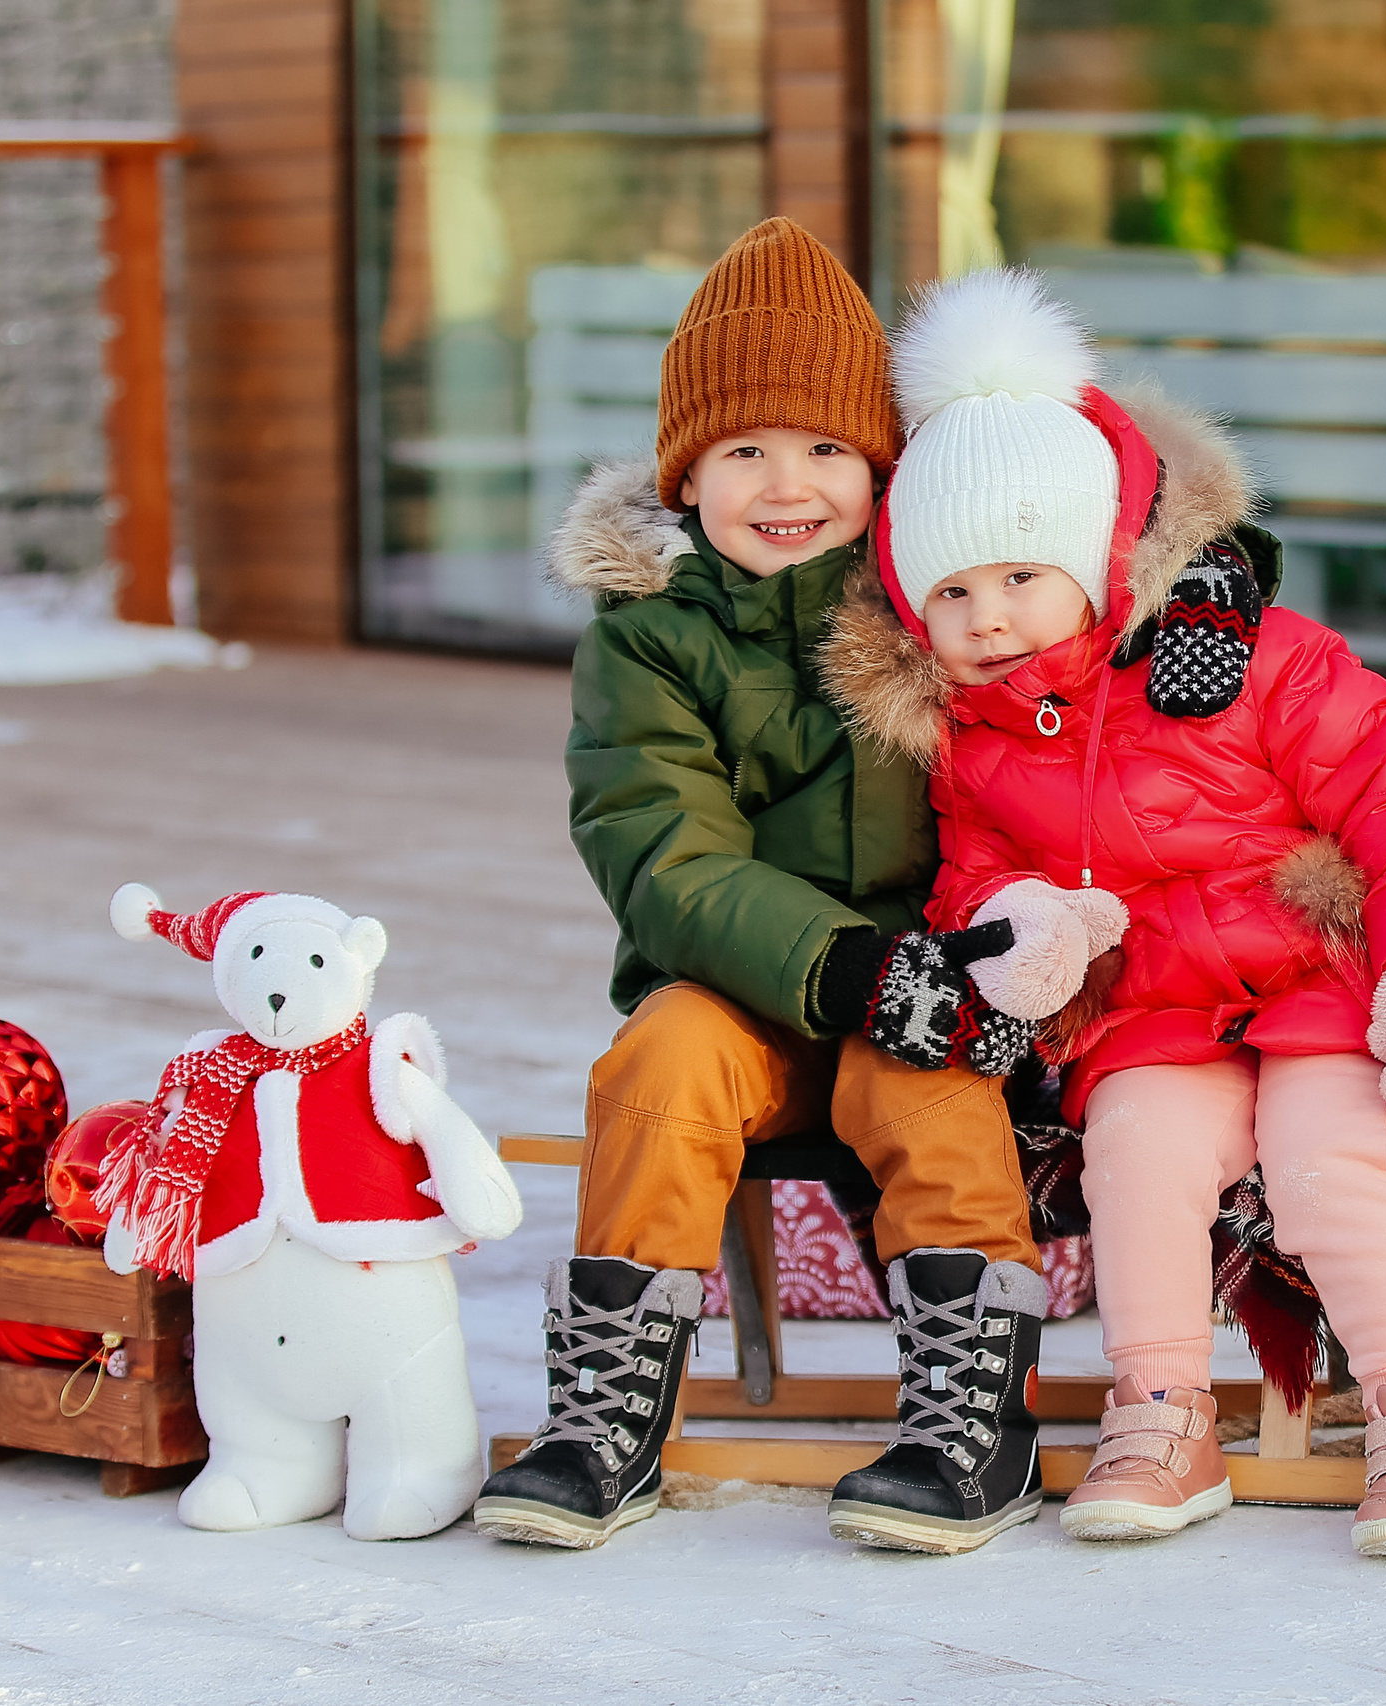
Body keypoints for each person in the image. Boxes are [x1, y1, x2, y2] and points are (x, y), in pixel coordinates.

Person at [822, 269, 1386, 1558]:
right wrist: (1021, 924)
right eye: (951, 594)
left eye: (1019, 575)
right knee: (1135, 1157)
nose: (987, 619)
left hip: (1310, 984)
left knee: (1327, 1164)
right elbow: (971, 876)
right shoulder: (969, 744)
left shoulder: (1248, 659)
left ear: (1097, 556)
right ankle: (1161, 1411)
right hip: (1152, 1013)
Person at [473, 218, 1054, 1557]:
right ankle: (606, 1418)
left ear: (881, 464)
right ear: (685, 473)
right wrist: (844, 966)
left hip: (934, 992)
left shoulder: (939, 594)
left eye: (825, 450)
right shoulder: (647, 641)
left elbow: (1094, 544)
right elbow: (660, 850)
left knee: (926, 1088)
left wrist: (1210, 579)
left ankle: (975, 1422)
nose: (788, 485)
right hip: (745, 994)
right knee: (661, 1061)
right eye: (745, 452)